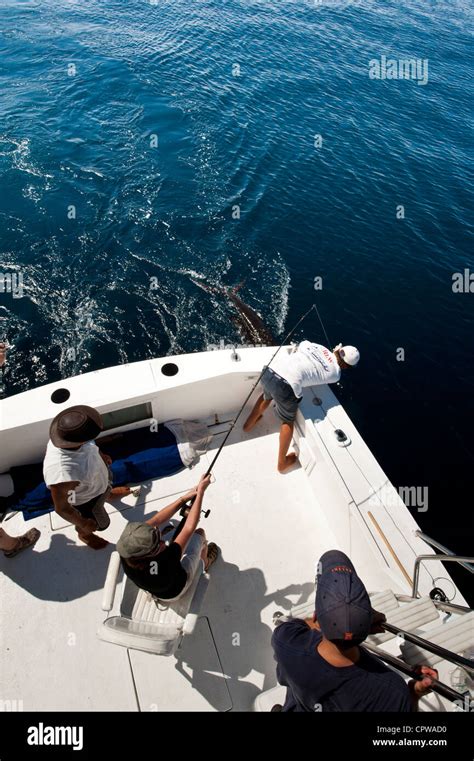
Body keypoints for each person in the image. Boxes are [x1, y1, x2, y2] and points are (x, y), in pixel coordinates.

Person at [271, 550, 438, 712]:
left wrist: (334, 621)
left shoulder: (286, 642)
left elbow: (300, 625)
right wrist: (414, 693)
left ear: (316, 617)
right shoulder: (393, 693)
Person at [117, 474, 219, 601]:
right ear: (147, 556)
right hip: (176, 591)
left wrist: (184, 498)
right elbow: (189, 528)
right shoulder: (166, 560)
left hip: (154, 587)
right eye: (157, 544)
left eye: (156, 535)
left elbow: (157, 519)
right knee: (199, 534)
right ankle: (205, 562)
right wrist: (201, 492)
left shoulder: (127, 550)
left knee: (173, 535)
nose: (163, 543)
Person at [43, 405, 130, 550]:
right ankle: (84, 535)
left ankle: (107, 495)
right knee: (102, 524)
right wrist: (83, 524)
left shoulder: (70, 437)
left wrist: (101, 455)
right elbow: (62, 508)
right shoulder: (63, 473)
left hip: (99, 479)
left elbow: (90, 445)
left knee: (106, 486)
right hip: (88, 500)